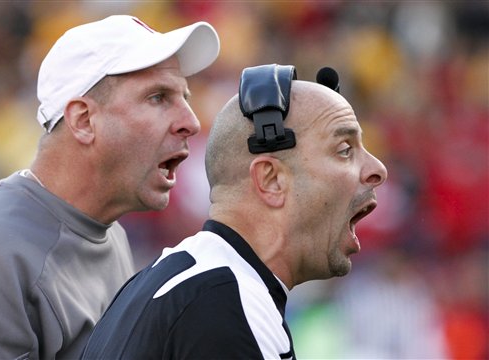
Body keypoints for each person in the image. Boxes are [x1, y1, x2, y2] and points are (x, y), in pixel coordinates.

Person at [81, 64, 388, 359]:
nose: (378, 170)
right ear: (271, 179)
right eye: (345, 150)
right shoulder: (223, 301)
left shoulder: (187, 285)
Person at [0, 15, 219, 360]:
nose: (191, 122)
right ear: (83, 120)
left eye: (185, 96)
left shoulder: (110, 233)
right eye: (158, 97)